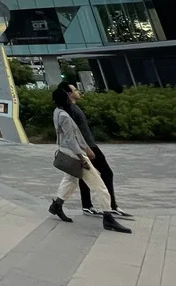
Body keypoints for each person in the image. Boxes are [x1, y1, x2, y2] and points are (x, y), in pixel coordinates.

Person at [48, 84, 131, 234]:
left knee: (71, 180)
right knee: (99, 185)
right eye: (69, 94)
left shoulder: (57, 112)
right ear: (65, 97)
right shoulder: (65, 116)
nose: (71, 96)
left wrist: (85, 148)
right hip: (74, 154)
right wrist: (83, 156)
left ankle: (57, 205)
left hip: (68, 152)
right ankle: (108, 218)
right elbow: (71, 138)